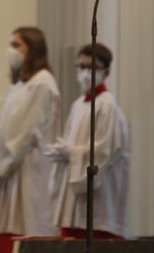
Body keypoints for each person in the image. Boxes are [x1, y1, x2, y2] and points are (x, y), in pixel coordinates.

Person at [0, 27, 61, 253]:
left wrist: (2, 167)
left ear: (33, 49)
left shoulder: (43, 83)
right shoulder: (18, 86)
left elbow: (25, 135)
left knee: (25, 228)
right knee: (5, 231)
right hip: (7, 175)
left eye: (17, 45)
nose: (11, 51)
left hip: (27, 173)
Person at [46, 43, 130, 240]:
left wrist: (71, 153)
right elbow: (70, 142)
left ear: (106, 71)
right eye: (81, 67)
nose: (85, 73)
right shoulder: (77, 105)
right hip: (74, 197)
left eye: (91, 67)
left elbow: (103, 152)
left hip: (98, 199)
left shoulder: (107, 105)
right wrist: (62, 152)